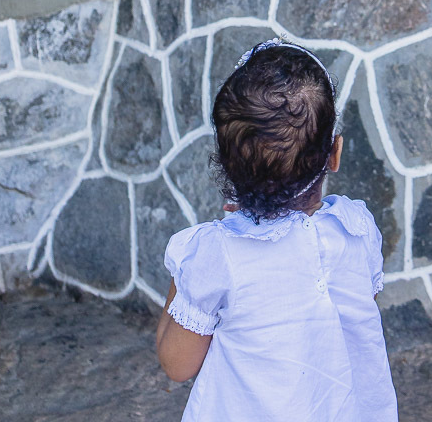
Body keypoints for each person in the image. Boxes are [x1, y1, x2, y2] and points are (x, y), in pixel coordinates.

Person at [156, 39, 398, 421]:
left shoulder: (216, 253)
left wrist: (185, 273)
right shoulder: (357, 229)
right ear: (334, 154)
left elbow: (177, 364)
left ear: (226, 168)